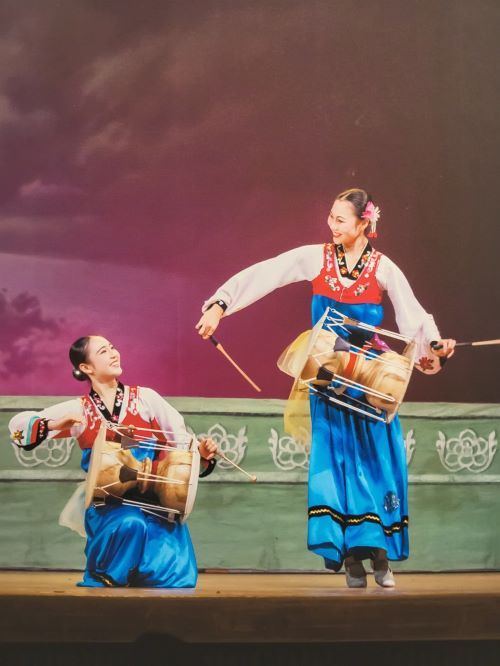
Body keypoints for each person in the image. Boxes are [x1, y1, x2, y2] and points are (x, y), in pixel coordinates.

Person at [196, 188, 455, 588]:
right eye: (330, 217)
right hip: (328, 373)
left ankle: (379, 552)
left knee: (376, 462)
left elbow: (414, 319)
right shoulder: (316, 257)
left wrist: (434, 344)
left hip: (369, 379)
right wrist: (220, 304)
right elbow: (268, 272)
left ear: (364, 223)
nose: (331, 225)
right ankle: (349, 555)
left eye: (340, 219)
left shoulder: (383, 268)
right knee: (336, 464)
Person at [9, 335, 217, 588]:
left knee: (172, 573)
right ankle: (107, 575)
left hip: (154, 499)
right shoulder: (80, 409)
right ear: (86, 367)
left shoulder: (146, 399)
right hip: (109, 502)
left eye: (113, 348)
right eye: (103, 351)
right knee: (131, 524)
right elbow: (17, 431)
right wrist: (53, 424)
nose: (114, 353)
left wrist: (201, 455)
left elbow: (180, 442)